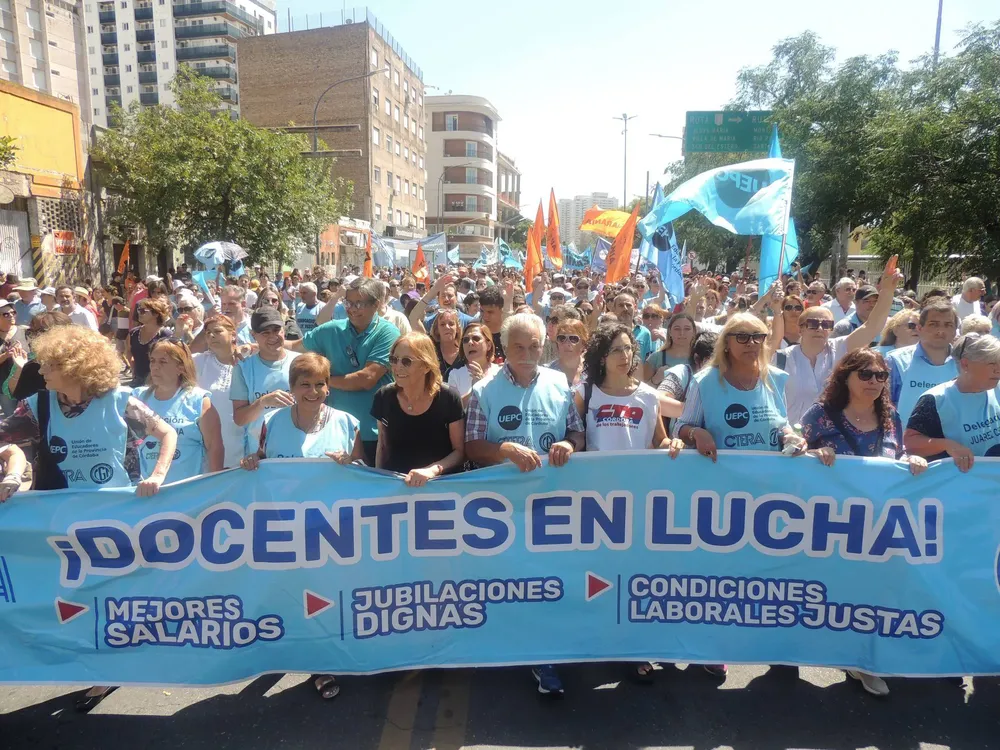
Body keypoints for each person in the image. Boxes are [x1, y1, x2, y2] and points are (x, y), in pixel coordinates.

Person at [465, 313, 585, 697]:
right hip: (502, 510)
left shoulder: (559, 383)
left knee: (546, 581)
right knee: (507, 581)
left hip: (552, 504)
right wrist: (503, 449)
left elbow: (576, 432)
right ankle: (503, 645)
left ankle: (543, 656)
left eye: (535, 346)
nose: (528, 353)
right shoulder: (485, 390)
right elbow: (470, 447)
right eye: (519, 346)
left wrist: (570, 444)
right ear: (502, 348)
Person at [286, 277, 399, 466]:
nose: (352, 309)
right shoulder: (330, 330)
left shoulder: (388, 333)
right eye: (348, 302)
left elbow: (366, 379)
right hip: (333, 432)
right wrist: (257, 345)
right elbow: (295, 346)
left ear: (376, 304)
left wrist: (320, 383)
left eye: (359, 303)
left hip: (372, 434)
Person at [774, 265, 900, 425]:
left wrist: (887, 291)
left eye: (826, 324)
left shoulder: (840, 348)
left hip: (832, 439)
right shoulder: (781, 358)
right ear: (801, 328)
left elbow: (872, 326)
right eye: (813, 323)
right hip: (792, 440)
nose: (820, 328)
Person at [674, 313, 806, 461]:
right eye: (742, 337)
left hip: (767, 477)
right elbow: (680, 428)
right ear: (726, 344)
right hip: (720, 476)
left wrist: (790, 437)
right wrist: (696, 433)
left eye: (757, 336)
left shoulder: (776, 378)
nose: (751, 343)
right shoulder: (704, 382)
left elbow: (781, 425)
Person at [371, 333, 465, 485]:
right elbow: (382, 445)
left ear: (426, 366)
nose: (397, 367)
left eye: (406, 361)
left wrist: (431, 471)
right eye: (393, 359)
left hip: (440, 487)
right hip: (397, 487)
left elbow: (459, 452)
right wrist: (379, 482)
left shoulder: (449, 397)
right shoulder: (384, 396)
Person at [241, 352, 364, 469]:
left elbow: (361, 469)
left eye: (319, 384)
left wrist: (349, 462)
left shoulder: (347, 423)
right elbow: (262, 458)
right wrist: (252, 460)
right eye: (305, 384)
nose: (313, 391)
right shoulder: (271, 421)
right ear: (292, 387)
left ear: (327, 387)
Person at [904, 333, 1000, 470]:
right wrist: (948, 445)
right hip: (954, 485)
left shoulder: (997, 389)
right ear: (965, 364)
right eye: (991, 363)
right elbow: (911, 443)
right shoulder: (936, 399)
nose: (998, 369)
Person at [135, 339, 224, 482]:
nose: (155, 367)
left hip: (186, 490)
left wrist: (214, 485)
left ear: (180, 368)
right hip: (145, 488)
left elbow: (214, 446)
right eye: (153, 361)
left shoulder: (198, 400)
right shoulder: (138, 397)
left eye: (163, 362)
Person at [575, 323, 673, 453]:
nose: (624, 356)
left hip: (637, 471)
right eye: (616, 350)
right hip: (598, 472)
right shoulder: (585, 393)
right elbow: (574, 435)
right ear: (602, 358)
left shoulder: (650, 395)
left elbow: (660, 441)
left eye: (627, 348)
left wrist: (673, 444)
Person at [231, 307, 300, 457]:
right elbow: (240, 419)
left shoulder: (300, 362)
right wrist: (262, 402)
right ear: (253, 335)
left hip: (298, 449)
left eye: (276, 330)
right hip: (259, 454)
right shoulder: (243, 368)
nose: (273, 336)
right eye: (265, 332)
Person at [885, 299, 959, 426]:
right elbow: (883, 408)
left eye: (948, 325)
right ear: (920, 328)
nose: (940, 331)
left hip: (954, 443)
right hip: (905, 443)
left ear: (955, 330)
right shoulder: (896, 361)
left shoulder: (965, 364)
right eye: (933, 324)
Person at [193, 315, 244, 468]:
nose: (211, 336)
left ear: (233, 334)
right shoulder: (199, 361)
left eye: (217, 331)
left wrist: (251, 346)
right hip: (208, 443)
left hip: (243, 444)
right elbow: (173, 358)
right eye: (208, 333)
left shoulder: (248, 360)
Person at [656, 330, 718, 435]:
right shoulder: (683, 373)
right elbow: (657, 400)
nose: (717, 368)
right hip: (682, 447)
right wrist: (695, 411)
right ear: (697, 359)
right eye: (711, 362)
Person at [3, 311, 73, 402]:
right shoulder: (29, 358)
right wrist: (20, 369)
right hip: (39, 411)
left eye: (40, 331)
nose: (33, 337)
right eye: (30, 331)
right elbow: (10, 393)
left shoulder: (79, 359)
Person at [447, 323, 501, 405]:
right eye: (465, 340)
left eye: (476, 338)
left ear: (489, 345)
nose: (470, 343)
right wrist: (474, 390)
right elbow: (453, 410)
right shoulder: (455, 375)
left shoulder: (499, 372)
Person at [126, 297, 171, 387]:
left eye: (143, 311)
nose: (139, 313)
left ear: (155, 314)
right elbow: (128, 352)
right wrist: (134, 370)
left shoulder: (165, 334)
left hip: (158, 382)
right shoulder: (133, 333)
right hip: (138, 381)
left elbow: (170, 360)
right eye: (138, 310)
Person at [644, 313, 696, 386]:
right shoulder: (655, 358)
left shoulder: (700, 358)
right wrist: (655, 379)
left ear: (694, 332)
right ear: (670, 332)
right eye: (677, 329)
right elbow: (641, 392)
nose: (682, 333)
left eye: (687, 329)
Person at [612, 289, 654, 364]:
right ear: (614, 309)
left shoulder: (645, 333)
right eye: (621, 305)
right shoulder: (609, 333)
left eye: (628, 305)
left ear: (635, 308)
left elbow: (648, 361)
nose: (625, 308)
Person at [546, 318, 588, 387]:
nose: (566, 343)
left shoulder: (593, 371)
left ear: (583, 344)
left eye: (573, 339)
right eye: (562, 338)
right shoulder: (547, 372)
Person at [429, 308, 464, 382]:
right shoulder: (431, 352)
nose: (447, 327)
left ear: (457, 328)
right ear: (437, 329)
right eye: (442, 324)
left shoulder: (464, 353)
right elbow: (414, 318)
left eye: (451, 324)